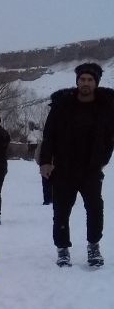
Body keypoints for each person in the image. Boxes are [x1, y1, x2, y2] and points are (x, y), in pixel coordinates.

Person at [38, 61, 114, 268]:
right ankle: (62, 250)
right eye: (82, 79)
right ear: (77, 81)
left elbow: (110, 138)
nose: (86, 83)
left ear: (96, 83)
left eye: (90, 80)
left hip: (91, 169)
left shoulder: (106, 107)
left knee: (95, 208)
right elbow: (49, 136)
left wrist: (103, 159)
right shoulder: (62, 106)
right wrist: (45, 161)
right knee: (61, 211)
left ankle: (94, 246)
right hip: (64, 168)